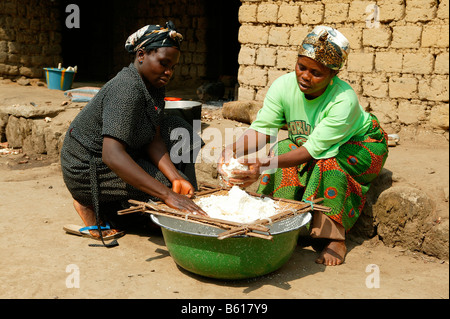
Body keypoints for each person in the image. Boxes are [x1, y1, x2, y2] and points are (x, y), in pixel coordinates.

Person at [218, 26, 389, 266]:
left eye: (316, 73)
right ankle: (286, 221)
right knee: (282, 149)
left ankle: (334, 238)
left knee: (328, 164)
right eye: (301, 67)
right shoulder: (283, 87)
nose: (305, 76)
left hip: (361, 145)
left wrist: (262, 164)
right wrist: (233, 150)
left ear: (333, 75)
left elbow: (313, 151)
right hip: (310, 142)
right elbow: (263, 130)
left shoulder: (343, 99)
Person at [61, 21, 206, 246]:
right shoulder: (126, 90)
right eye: (164, 63)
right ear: (141, 55)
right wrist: (167, 194)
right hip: (89, 166)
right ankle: (92, 203)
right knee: (163, 191)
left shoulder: (154, 85)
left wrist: (176, 177)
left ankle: (172, 200)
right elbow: (112, 155)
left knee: (179, 129)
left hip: (123, 152)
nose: (169, 72)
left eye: (173, 67)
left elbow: (154, 137)